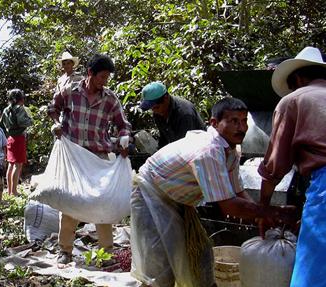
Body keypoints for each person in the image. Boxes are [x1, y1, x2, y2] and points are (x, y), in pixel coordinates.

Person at [130, 97, 295, 287]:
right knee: (159, 267)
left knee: (198, 257)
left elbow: (238, 190)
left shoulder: (230, 150)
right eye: (234, 121)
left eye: (244, 121)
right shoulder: (208, 151)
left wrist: (260, 215)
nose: (241, 128)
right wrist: (271, 212)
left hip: (177, 199)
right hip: (150, 193)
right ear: (214, 123)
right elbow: (228, 206)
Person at [48, 54, 132, 264]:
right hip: (74, 156)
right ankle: (65, 250)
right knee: (70, 201)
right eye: (102, 77)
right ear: (90, 74)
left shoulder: (110, 98)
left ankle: (107, 251)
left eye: (107, 78)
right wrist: (56, 124)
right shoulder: (70, 91)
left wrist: (124, 139)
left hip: (98, 156)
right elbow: (52, 108)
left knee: (101, 202)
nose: (105, 81)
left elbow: (123, 124)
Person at [258, 46, 326, 287]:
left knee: (312, 275)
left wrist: (263, 209)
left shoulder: (294, 100)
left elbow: (275, 166)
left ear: (297, 78)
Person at [140, 81, 205, 148]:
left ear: (166, 98)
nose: (154, 111)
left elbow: (186, 146)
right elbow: (164, 139)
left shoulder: (184, 114)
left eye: (156, 107)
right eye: (151, 108)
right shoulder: (158, 113)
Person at [0, 89, 33, 196]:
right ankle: (14, 191)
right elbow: (22, 122)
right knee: (18, 165)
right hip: (19, 138)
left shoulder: (6, 110)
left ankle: (9, 191)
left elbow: (2, 125)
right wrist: (30, 120)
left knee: (11, 164)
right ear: (21, 99)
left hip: (10, 138)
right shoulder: (20, 109)